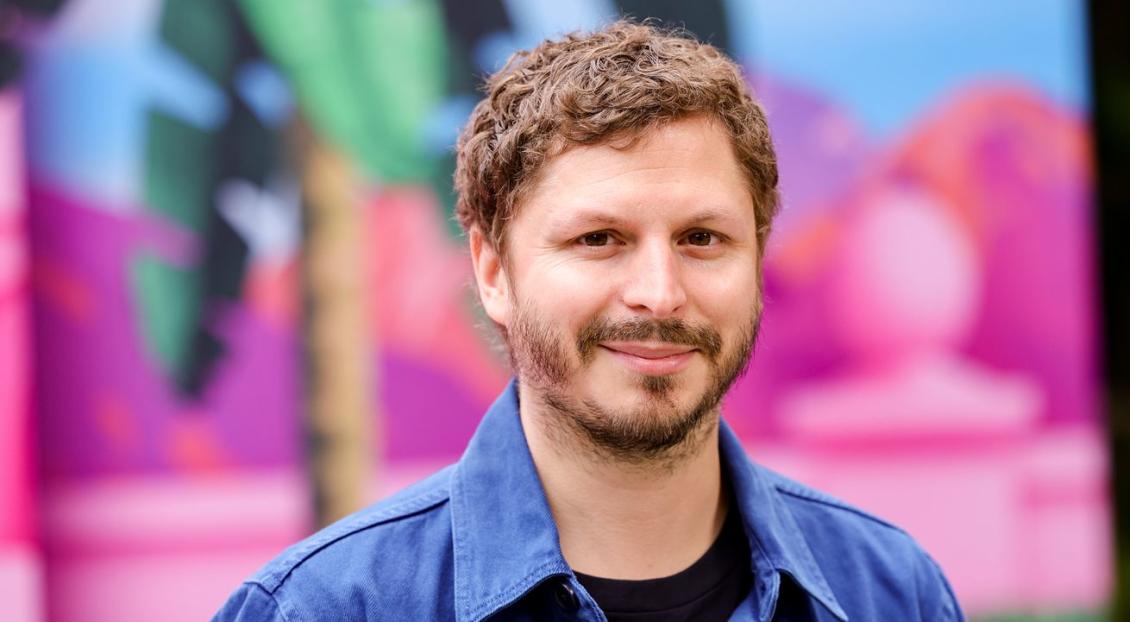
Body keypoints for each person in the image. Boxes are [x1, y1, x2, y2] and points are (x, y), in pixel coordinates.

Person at [214, 20, 963, 622]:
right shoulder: (325, 608)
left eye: (703, 239)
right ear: (493, 272)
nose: (659, 293)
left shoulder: (891, 592)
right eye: (598, 240)